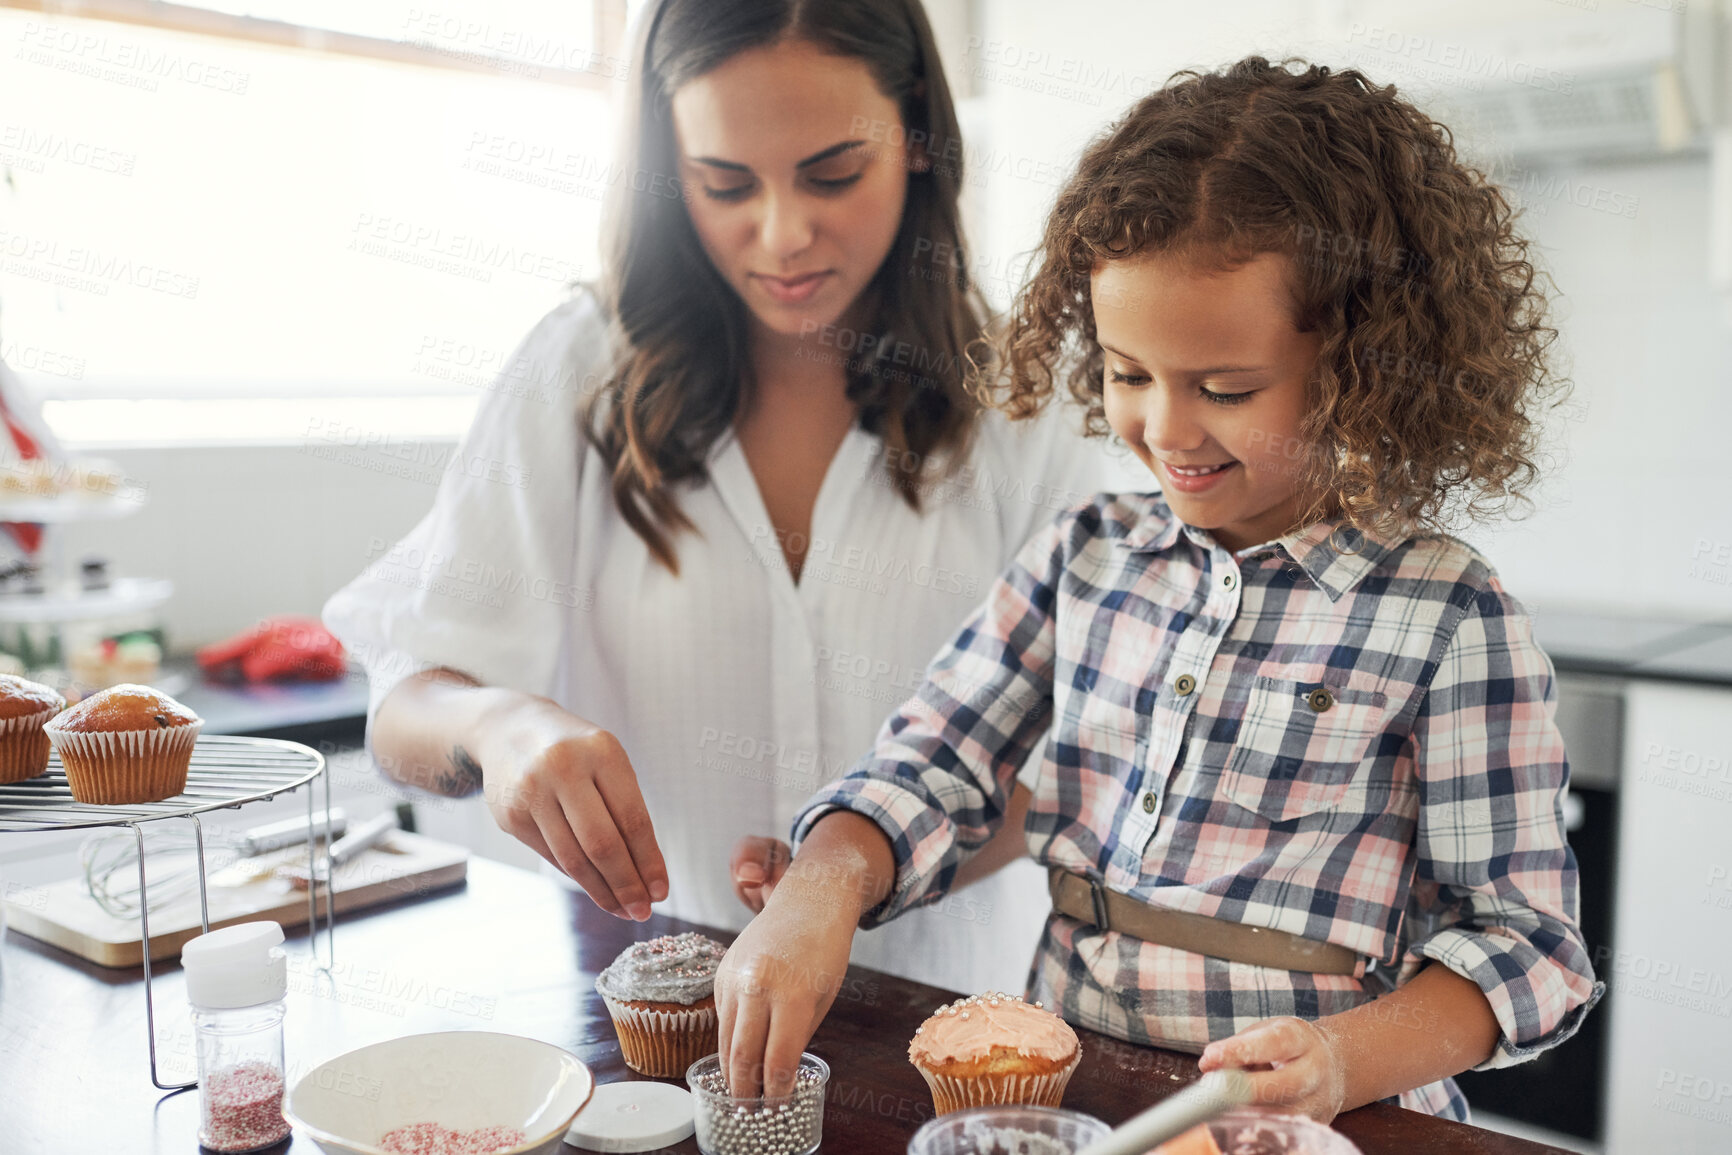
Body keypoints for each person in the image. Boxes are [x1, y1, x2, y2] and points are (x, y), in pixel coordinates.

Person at [715, 56, 1603, 1120]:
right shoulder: (1083, 555)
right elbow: (933, 761)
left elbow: (1528, 948)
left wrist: (1340, 1060)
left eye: (1224, 388)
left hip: (1320, 1122)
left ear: (1363, 367)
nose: (1166, 432)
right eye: (1127, 373)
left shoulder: (1447, 616)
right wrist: (823, 884)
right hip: (1076, 1106)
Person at [320, 0, 1107, 995]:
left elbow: (1083, 766)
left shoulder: (1024, 401)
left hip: (943, 1028)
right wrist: (501, 728)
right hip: (649, 1025)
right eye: (723, 182)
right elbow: (405, 708)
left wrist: (849, 868)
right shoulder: (577, 372)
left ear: (915, 135)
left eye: (833, 174)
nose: (781, 236)